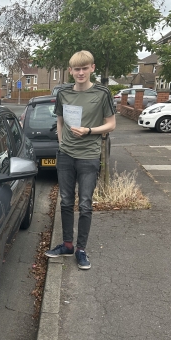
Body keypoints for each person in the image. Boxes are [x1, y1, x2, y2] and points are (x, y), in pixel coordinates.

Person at [45, 50, 116, 269]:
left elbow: (111, 124)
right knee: (66, 201)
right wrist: (61, 144)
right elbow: (59, 120)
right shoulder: (64, 93)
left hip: (89, 157)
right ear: (70, 71)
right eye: (77, 69)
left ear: (92, 68)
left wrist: (89, 130)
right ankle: (67, 245)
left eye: (85, 68)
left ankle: (81, 249)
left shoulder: (103, 93)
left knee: (85, 204)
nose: (81, 72)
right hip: (66, 155)